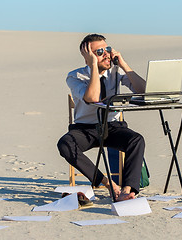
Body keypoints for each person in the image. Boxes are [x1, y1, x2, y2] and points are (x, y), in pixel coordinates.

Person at [57, 34, 146, 201]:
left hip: (112, 127)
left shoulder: (116, 70)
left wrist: (124, 64)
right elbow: (93, 98)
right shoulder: (75, 76)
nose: (106, 54)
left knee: (137, 140)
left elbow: (143, 91)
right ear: (88, 58)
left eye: (108, 49)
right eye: (99, 52)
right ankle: (108, 184)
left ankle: (128, 190)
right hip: (86, 129)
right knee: (65, 144)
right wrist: (94, 69)